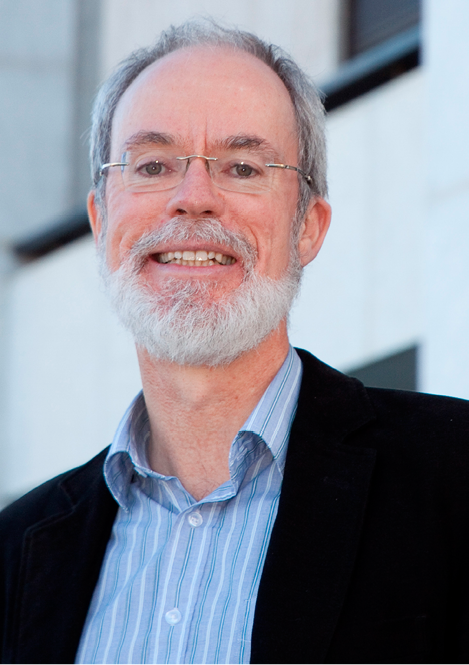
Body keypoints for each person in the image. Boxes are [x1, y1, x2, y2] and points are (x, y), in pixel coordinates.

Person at [2, 19, 469, 665]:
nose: (193, 199)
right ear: (100, 218)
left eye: (243, 166)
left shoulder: (453, 476)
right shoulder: (15, 552)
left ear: (307, 226)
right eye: (153, 165)